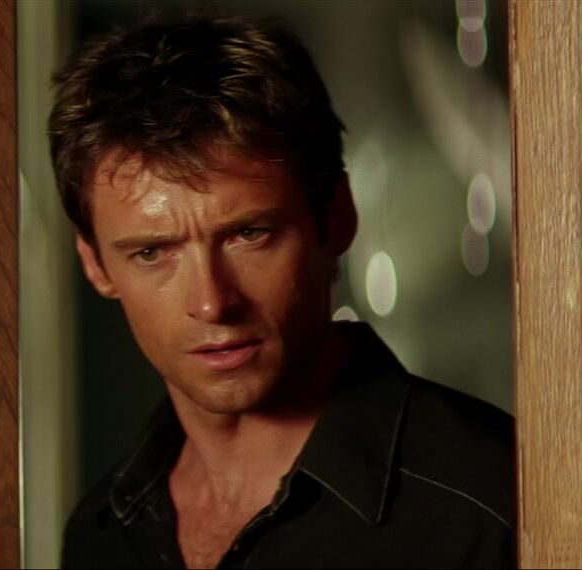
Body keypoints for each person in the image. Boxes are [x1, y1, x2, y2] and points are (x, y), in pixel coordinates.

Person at [49, 12, 516, 569]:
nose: (212, 303)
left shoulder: (494, 502)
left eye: (249, 234)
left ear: (337, 218)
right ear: (95, 264)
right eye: (152, 253)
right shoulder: (101, 534)